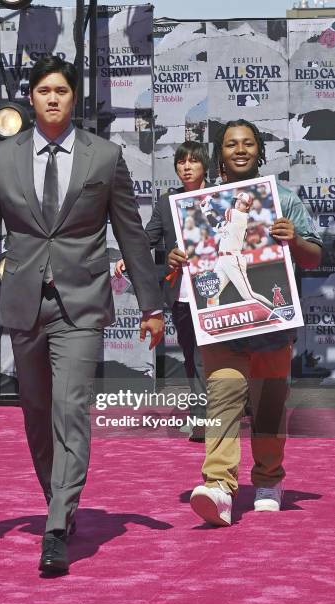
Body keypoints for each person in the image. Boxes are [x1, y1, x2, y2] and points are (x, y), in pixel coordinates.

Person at [0, 56, 164, 572]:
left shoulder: (105, 156)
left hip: (82, 302)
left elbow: (131, 237)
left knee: (70, 409)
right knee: (37, 412)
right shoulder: (1, 157)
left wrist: (152, 306)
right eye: (43, 89)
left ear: (74, 98)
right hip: (25, 300)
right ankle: (59, 501)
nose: (52, 98)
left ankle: (55, 528)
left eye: (61, 91)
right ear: (31, 97)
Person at [168, 119, 322, 526]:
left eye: (248, 143)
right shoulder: (197, 205)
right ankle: (219, 486)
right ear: (219, 152)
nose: (240, 149)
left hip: (273, 329)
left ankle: (269, 480)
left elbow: (314, 257)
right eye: (232, 144)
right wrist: (177, 258)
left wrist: (295, 240)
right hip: (221, 326)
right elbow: (190, 255)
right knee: (223, 399)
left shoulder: (282, 198)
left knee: (269, 406)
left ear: (259, 150)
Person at [115, 141, 211, 441]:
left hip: (218, 293)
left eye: (193, 161)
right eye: (181, 162)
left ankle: (214, 415)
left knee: (210, 358)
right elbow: (147, 239)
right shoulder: (167, 203)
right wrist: (128, 257)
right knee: (191, 356)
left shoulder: (220, 198)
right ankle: (200, 417)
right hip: (182, 295)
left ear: (204, 166)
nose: (186, 166)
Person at [200, 191, 274, 308]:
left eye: (243, 203)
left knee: (249, 295)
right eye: (238, 201)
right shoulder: (230, 220)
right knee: (212, 293)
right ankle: (216, 323)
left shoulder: (241, 216)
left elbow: (222, 209)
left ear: (247, 207)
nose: (239, 203)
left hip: (233, 259)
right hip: (222, 260)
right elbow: (216, 225)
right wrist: (207, 212)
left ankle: (275, 310)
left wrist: (210, 200)